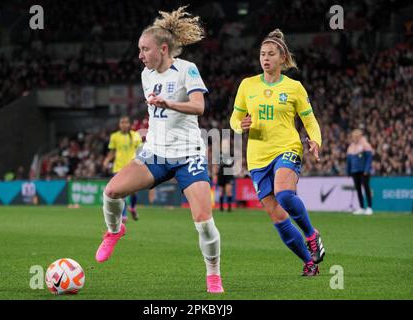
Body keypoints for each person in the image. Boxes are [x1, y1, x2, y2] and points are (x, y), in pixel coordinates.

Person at [95, 6, 224, 293]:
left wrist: (169, 104)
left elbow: (199, 107)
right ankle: (115, 231)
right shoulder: (147, 75)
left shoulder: (187, 69)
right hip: (155, 152)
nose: (140, 55)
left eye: (145, 49)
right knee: (111, 192)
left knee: (203, 222)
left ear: (163, 49)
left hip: (188, 154)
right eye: (139, 50)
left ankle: (213, 274)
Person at [229, 29, 326, 276]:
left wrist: (315, 139)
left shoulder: (294, 87)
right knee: (276, 215)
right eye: (262, 54)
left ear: (282, 58)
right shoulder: (247, 85)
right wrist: (240, 125)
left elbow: (310, 120)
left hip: (287, 147)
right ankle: (308, 262)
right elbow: (234, 119)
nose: (265, 58)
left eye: (271, 54)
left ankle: (311, 234)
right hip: (257, 156)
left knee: (284, 194)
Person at [103, 115, 142, 222]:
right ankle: (123, 215)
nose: (124, 125)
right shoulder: (114, 136)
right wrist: (107, 160)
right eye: (122, 122)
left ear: (129, 124)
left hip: (132, 168)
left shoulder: (135, 136)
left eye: (126, 122)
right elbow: (112, 152)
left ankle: (133, 207)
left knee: (133, 192)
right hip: (118, 168)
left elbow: (140, 151)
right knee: (120, 192)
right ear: (119, 124)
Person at [347, 129, 373, 215]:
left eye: (356, 136)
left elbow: (369, 159)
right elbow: (349, 160)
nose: (354, 138)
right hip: (355, 171)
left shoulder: (365, 145)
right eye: (353, 137)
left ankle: (369, 207)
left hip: (363, 171)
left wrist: (366, 169)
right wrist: (348, 171)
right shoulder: (351, 147)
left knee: (366, 188)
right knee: (358, 189)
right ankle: (361, 207)